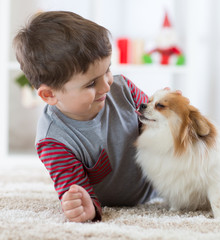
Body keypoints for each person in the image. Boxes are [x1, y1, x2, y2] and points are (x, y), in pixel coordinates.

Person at [13, 11, 156, 223]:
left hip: (160, 187)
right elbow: (77, 190)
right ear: (49, 94)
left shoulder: (123, 88)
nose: (107, 85)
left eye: (107, 70)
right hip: (115, 201)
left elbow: (157, 121)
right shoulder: (53, 140)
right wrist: (84, 206)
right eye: (91, 84)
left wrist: (169, 110)